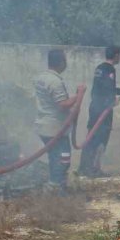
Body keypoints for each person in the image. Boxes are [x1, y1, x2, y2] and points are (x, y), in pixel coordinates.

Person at [79, 45, 120, 177]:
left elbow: (103, 87)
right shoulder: (110, 69)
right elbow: (107, 90)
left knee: (91, 137)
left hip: (95, 108)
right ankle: (93, 170)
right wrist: (112, 100)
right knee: (100, 139)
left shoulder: (100, 68)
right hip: (103, 110)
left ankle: (84, 168)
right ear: (116, 55)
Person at [34, 49, 78, 190]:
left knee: (54, 157)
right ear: (61, 62)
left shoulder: (41, 77)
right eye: (65, 60)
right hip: (55, 129)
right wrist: (79, 95)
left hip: (44, 126)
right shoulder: (55, 81)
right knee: (63, 159)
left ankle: (57, 185)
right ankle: (56, 189)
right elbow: (62, 105)